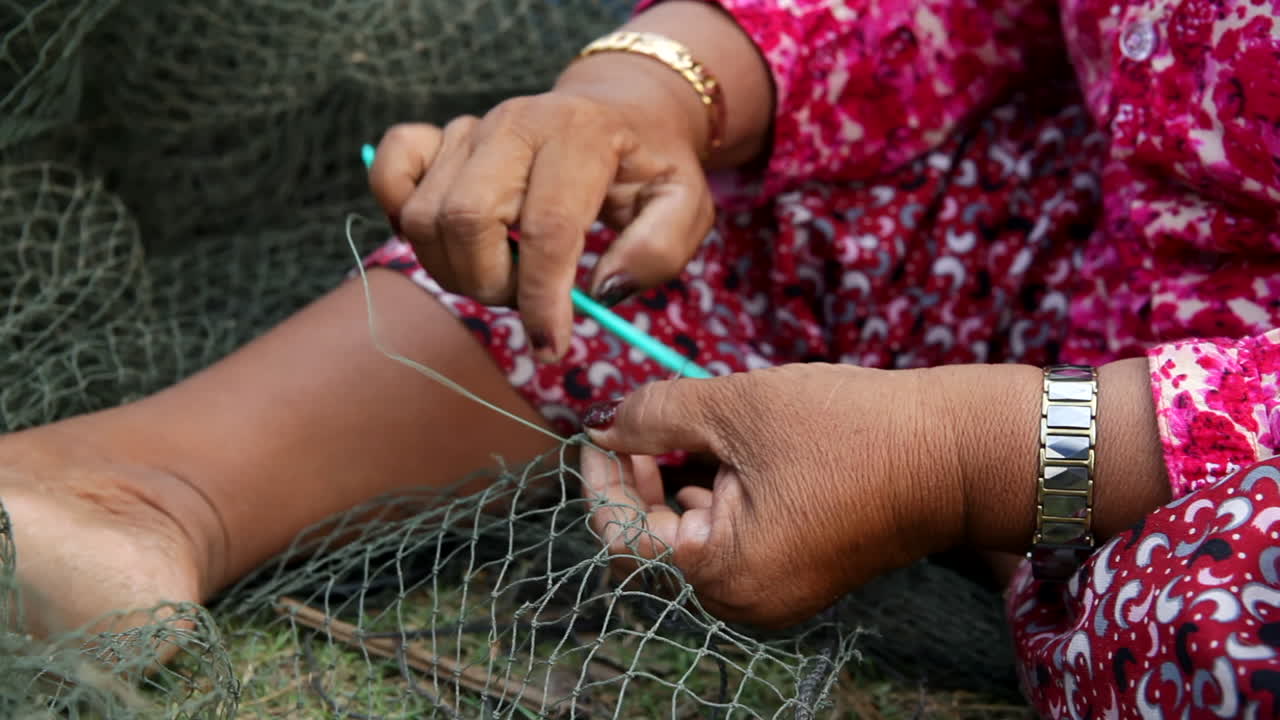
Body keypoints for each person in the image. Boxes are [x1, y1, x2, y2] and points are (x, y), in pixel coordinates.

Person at [0, 0, 1276, 716]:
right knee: (662, 225)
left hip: (1233, 489)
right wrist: (648, 96)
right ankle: (150, 488)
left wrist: (973, 456)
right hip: (1073, 251)